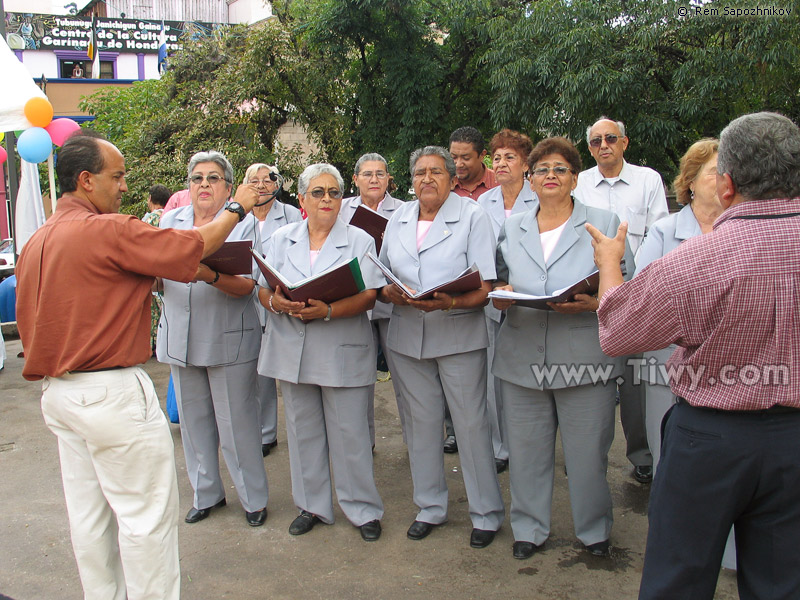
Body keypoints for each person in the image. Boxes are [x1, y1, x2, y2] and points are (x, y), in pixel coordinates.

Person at [15, 131, 258, 600]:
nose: (125, 187)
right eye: (117, 176)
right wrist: (239, 205)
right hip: (111, 394)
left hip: (60, 395)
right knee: (146, 522)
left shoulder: (38, 239)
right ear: (86, 181)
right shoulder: (109, 230)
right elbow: (193, 245)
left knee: (89, 520)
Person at [588, 111, 800, 599]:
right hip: (791, 440)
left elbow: (618, 332)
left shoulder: (700, 259)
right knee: (784, 582)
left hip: (710, 440)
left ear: (726, 185)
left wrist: (609, 266)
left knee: (678, 579)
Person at [491, 136, 633, 560]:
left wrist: (594, 303)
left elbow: (626, 285)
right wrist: (501, 293)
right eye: (542, 170)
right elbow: (500, 276)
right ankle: (529, 530)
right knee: (527, 451)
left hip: (584, 356)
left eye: (560, 169)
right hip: (521, 353)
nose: (550, 176)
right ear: (530, 180)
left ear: (574, 178)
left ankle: (594, 533)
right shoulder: (512, 224)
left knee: (588, 454)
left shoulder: (604, 221)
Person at [378, 146, 505, 548]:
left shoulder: (472, 216)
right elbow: (382, 273)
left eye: (435, 171)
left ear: (452, 178)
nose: (426, 179)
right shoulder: (398, 217)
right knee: (420, 426)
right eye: (419, 172)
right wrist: (391, 292)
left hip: (457, 334)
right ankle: (429, 506)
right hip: (406, 335)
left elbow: (486, 285)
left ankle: (486, 513)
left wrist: (448, 300)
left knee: (469, 425)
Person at [257, 163, 385, 542]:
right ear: (301, 200)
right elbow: (262, 287)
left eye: (333, 192)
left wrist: (327, 310)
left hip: (340, 346)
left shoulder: (360, 239)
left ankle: (362, 509)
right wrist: (276, 303)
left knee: (351, 434)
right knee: (302, 431)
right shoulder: (281, 238)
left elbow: (368, 295)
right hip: (292, 347)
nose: (326, 199)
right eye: (318, 192)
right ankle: (311, 505)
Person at [157, 151, 269, 528]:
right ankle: (206, 494)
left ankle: (253, 499)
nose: (204, 184)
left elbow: (249, 287)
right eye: (197, 178)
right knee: (193, 422)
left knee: (237, 423)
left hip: (228, 338)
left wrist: (207, 276)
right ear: (188, 186)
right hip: (180, 336)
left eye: (214, 178)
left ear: (228, 187)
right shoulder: (168, 222)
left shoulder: (245, 225)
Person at [573, 116, 670, 484]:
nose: (603, 146)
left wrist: (631, 275)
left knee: (635, 383)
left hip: (639, 288)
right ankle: (584, 455)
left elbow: (659, 232)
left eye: (610, 138)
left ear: (625, 142)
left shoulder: (648, 180)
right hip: (590, 289)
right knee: (585, 376)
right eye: (596, 141)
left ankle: (641, 453)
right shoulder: (578, 183)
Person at [634, 139, 723, 473]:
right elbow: (642, 295)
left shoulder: (744, 230)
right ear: (691, 182)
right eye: (715, 171)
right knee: (667, 457)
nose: (725, 178)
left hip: (730, 365)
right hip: (668, 359)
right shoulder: (664, 231)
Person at [477, 128, 536, 474]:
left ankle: (529, 444)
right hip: (492, 299)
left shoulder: (539, 196)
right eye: (496, 157)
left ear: (526, 164)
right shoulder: (483, 202)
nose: (500, 163)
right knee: (492, 377)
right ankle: (500, 448)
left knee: (526, 377)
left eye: (509, 157)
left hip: (529, 299)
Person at [340, 153, 406, 445]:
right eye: (367, 174)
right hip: (357, 299)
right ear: (355, 180)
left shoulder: (405, 210)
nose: (374, 179)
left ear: (389, 178)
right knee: (358, 378)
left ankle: (417, 440)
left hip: (393, 300)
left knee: (406, 377)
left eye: (380, 173)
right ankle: (363, 442)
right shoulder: (341, 210)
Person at [245, 163, 302, 457]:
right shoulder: (237, 216)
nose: (262, 185)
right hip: (246, 298)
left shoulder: (290, 214)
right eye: (254, 181)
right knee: (260, 370)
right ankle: (266, 432)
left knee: (287, 367)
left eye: (267, 179)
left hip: (280, 296)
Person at [143, 184, 172, 354]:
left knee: (153, 312)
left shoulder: (148, 220)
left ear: (151, 199)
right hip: (167, 269)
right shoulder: (171, 216)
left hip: (152, 270)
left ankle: (153, 344)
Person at [449, 126, 498, 201]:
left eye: (466, 158)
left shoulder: (500, 183)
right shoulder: (444, 186)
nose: (458, 164)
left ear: (482, 155)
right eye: (454, 157)